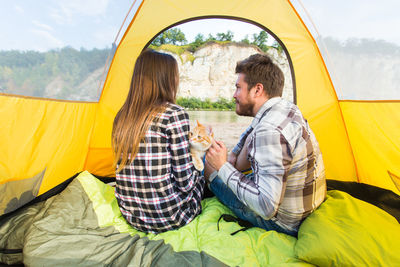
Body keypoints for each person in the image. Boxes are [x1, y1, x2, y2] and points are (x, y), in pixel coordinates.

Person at [205, 53, 326, 237]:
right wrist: (231, 157)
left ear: (257, 90)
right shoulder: (285, 109)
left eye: (238, 88)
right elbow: (250, 135)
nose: (234, 95)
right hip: (302, 206)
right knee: (225, 164)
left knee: (206, 165)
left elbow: (266, 207)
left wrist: (221, 167)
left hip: (284, 223)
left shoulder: (269, 131)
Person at [112, 49, 205, 234]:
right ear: (168, 80)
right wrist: (200, 164)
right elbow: (185, 183)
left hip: (133, 215)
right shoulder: (174, 114)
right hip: (170, 216)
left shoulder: (121, 116)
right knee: (203, 168)